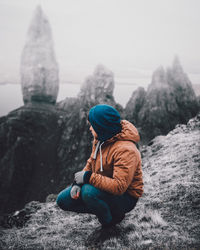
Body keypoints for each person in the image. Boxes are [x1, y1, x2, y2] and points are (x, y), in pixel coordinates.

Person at [56, 104, 143, 229]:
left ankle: (109, 223)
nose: (90, 129)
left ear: (102, 127)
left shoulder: (126, 150)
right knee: (63, 200)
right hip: (102, 188)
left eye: (93, 126)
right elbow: (91, 163)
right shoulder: (101, 138)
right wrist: (77, 184)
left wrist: (87, 177)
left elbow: (119, 187)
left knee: (88, 192)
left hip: (125, 197)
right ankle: (108, 211)